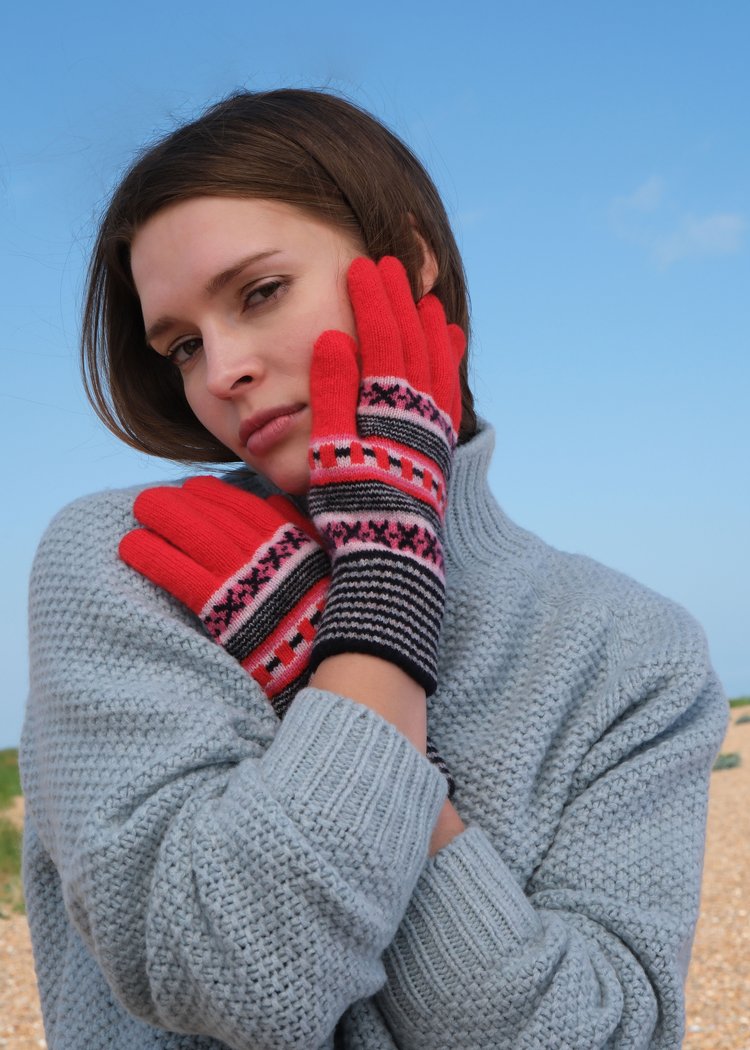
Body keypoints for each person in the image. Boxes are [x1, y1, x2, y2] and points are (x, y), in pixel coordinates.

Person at [20, 88, 727, 1050]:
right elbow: (233, 973)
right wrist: (383, 629)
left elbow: (607, 1036)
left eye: (259, 292)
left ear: (407, 258)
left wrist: (362, 620)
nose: (218, 370)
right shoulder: (131, 560)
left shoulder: (632, 650)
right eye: (182, 345)